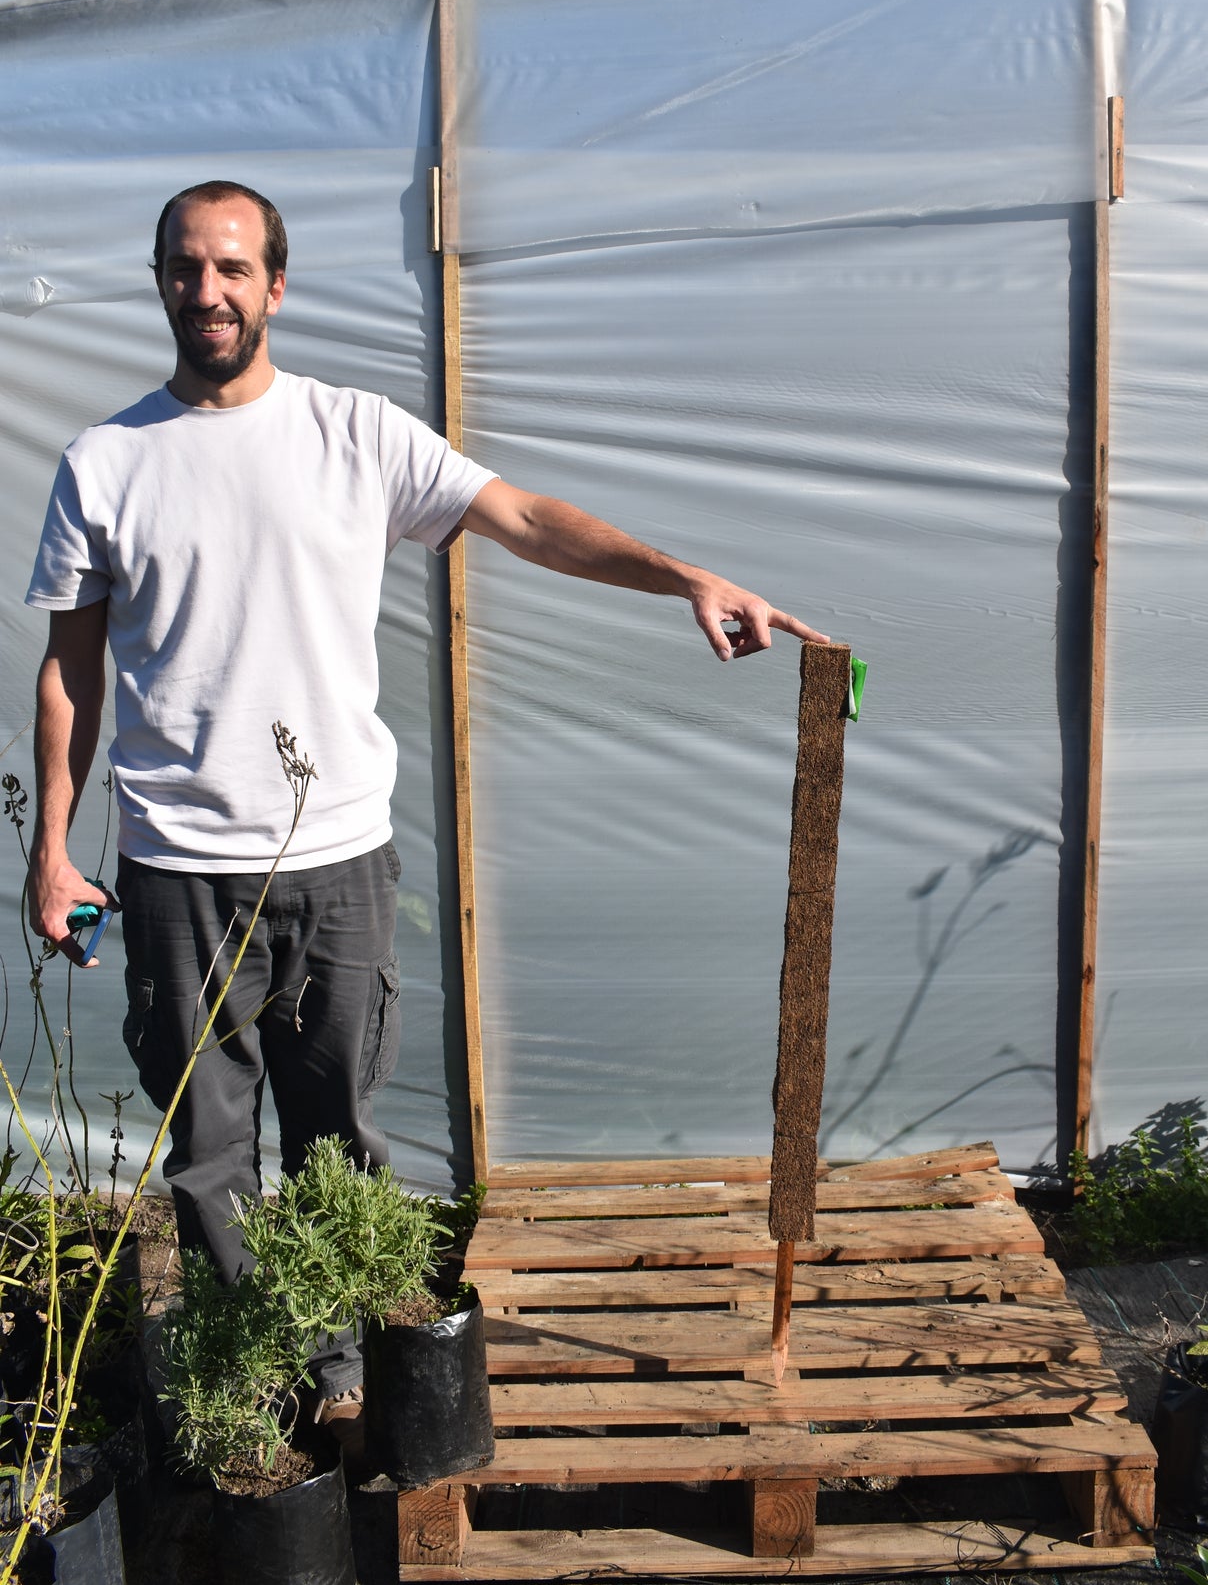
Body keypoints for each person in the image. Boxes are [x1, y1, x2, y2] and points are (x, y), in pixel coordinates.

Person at [25, 178, 824, 1415]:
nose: (210, 290)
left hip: (337, 857)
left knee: (339, 1141)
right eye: (187, 267)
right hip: (176, 863)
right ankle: (255, 1398)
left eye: (233, 267)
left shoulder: (355, 434)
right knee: (209, 1158)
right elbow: (71, 667)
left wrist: (681, 576)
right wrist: (51, 852)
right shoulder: (106, 463)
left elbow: (527, 519)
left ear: (275, 284)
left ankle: (340, 1384)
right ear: (162, 282)